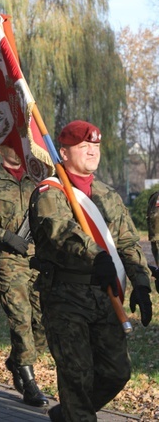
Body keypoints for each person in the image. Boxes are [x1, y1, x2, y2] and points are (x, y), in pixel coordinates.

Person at [29, 120, 153, 422]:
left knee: (117, 372)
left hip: (105, 296)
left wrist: (141, 283)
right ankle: (76, 412)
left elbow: (127, 241)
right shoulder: (50, 191)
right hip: (66, 299)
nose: (91, 151)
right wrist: (95, 255)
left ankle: (70, 412)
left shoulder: (107, 194)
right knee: (77, 378)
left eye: (95, 145)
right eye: (83, 146)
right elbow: (60, 230)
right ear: (63, 152)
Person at [0, 146, 47, 407]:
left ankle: (16, 361)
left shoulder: (36, 181)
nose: (16, 150)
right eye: (9, 144)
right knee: (21, 320)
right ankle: (29, 382)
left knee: (42, 322)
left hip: (36, 261)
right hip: (8, 261)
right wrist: (5, 236)